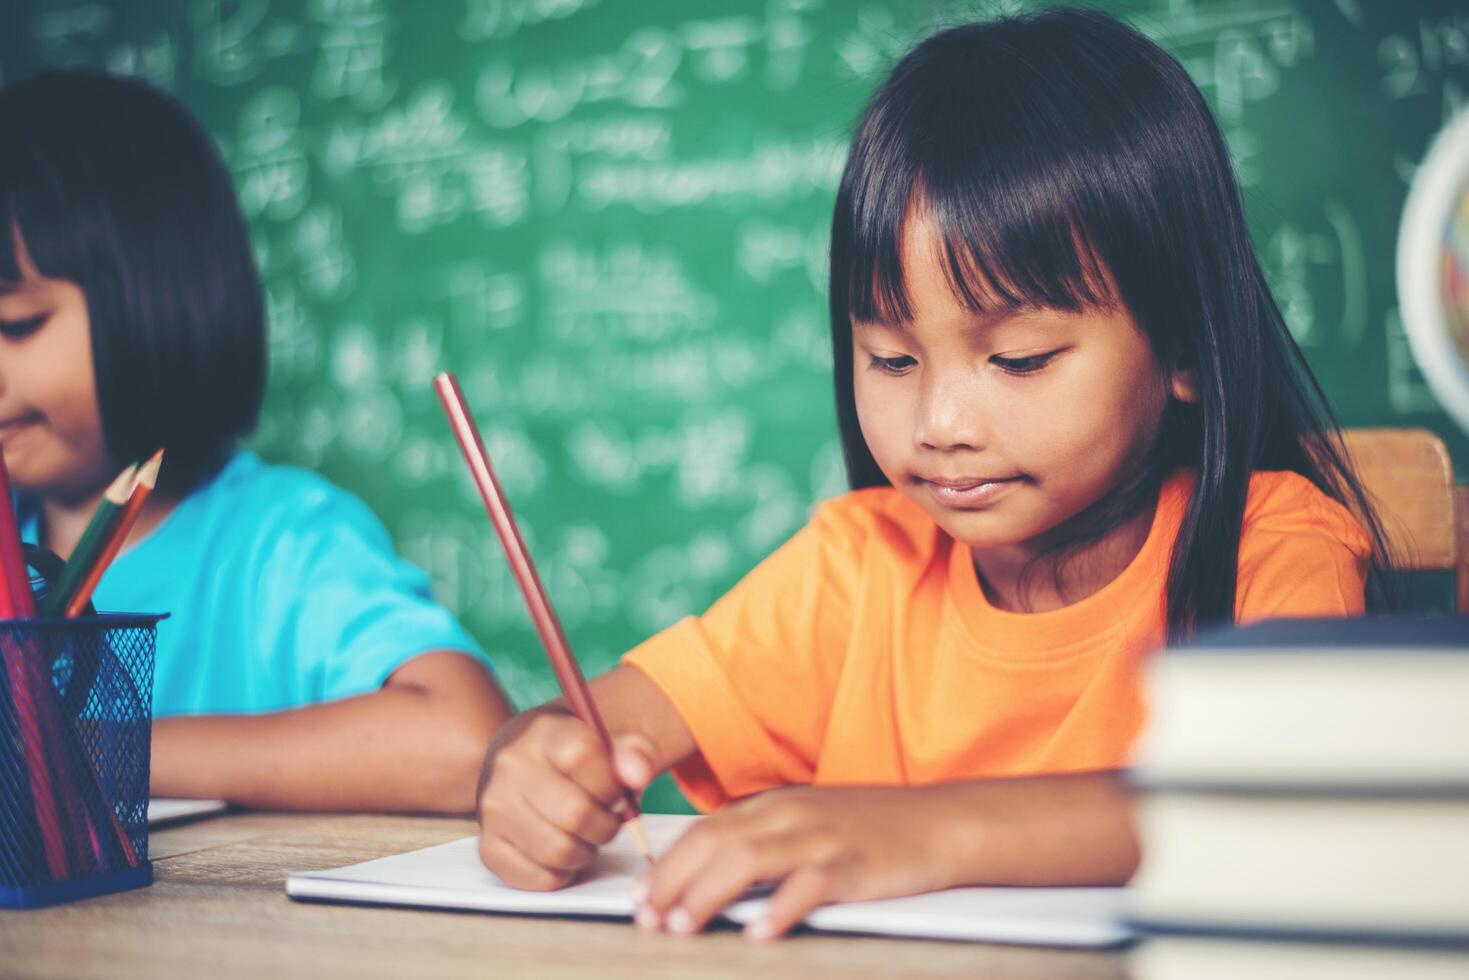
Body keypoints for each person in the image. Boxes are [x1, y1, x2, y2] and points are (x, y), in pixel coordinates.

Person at [473, 6, 1391, 938]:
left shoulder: (1269, 547)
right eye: (891, 359)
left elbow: (1272, 799)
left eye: (1021, 359)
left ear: (1185, 345)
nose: (939, 425)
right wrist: (533, 770)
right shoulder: (855, 566)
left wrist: (917, 835)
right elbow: (585, 727)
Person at [0, 70, 513, 813]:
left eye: (17, 326)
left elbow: (465, 742)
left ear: (153, 300)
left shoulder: (282, 542)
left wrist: (84, 748)